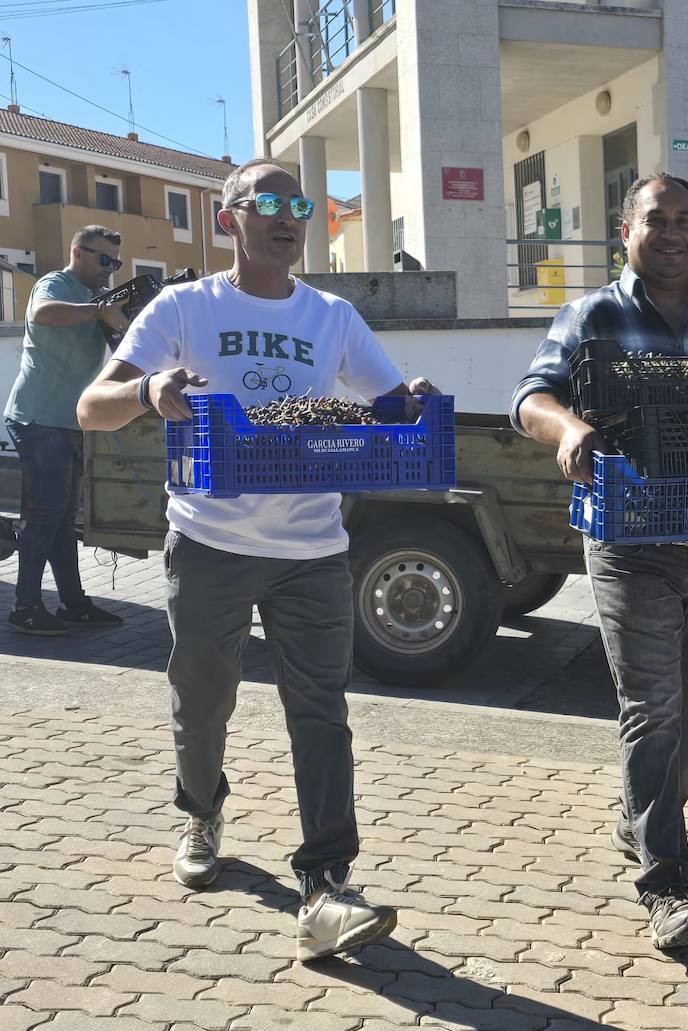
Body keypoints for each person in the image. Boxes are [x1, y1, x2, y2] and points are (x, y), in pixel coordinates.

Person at [77, 158, 435, 961]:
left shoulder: (332, 316)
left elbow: (389, 404)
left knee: (322, 711)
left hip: (312, 549)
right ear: (227, 218)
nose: (287, 216)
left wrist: (408, 399)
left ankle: (326, 886)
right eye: (268, 201)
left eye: (299, 206)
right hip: (209, 540)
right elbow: (91, 406)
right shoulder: (183, 307)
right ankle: (201, 808)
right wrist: (147, 391)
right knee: (202, 699)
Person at [511, 173, 688, 951]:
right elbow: (531, 397)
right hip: (628, 539)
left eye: (684, 220)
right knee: (653, 708)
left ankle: (638, 821)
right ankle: (666, 881)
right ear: (626, 231)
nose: (672, 232)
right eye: (656, 219)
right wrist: (570, 427)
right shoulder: (591, 315)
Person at [5, 226, 130, 635]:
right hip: (39, 419)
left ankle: (73, 604)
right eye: (104, 259)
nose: (110, 269)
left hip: (68, 421)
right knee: (46, 515)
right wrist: (100, 311)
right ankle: (25, 607)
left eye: (116, 262)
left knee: (61, 518)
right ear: (78, 252)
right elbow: (42, 312)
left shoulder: (98, 297)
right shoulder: (56, 283)